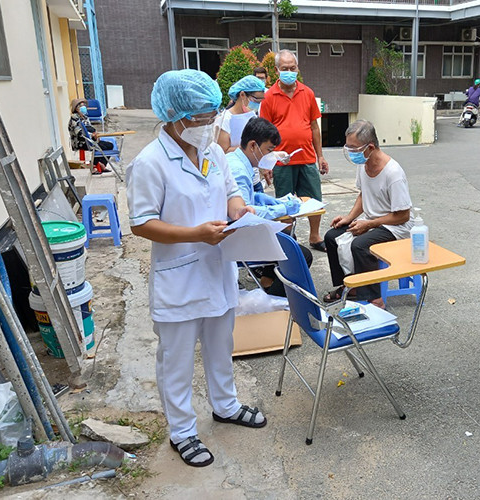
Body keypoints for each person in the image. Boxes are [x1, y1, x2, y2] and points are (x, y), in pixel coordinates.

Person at [126, 69, 266, 468]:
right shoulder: (150, 163)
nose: (207, 126)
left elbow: (232, 194)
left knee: (222, 346)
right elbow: (141, 223)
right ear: (173, 114)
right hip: (180, 276)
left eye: (210, 117)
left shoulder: (214, 152)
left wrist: (241, 212)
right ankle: (182, 432)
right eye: (199, 118)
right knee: (178, 358)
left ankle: (225, 406)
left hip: (218, 270)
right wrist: (195, 233)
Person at [323, 120, 414, 308]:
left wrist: (369, 224)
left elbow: (403, 216)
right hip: (372, 221)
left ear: (370, 147)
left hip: (395, 226)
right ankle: (351, 284)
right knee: (331, 236)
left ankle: (375, 298)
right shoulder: (363, 163)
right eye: (348, 147)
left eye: (354, 148)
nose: (351, 153)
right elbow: (364, 195)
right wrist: (349, 218)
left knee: (360, 245)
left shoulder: (393, 173)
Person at [225, 116, 314, 296]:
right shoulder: (238, 170)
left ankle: (268, 281)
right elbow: (245, 212)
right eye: (269, 150)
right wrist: (283, 208)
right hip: (236, 235)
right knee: (301, 255)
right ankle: (273, 299)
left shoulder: (237, 160)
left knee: (289, 235)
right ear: (252, 146)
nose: (271, 156)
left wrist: (264, 198)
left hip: (237, 229)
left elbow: (244, 197)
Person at [259, 49, 329, 252]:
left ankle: (315, 237)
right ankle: (290, 239)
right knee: (285, 203)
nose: (289, 71)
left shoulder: (307, 93)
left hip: (307, 158)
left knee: (315, 200)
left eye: (292, 68)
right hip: (282, 161)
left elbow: (314, 127)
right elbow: (264, 132)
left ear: (297, 68)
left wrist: (320, 156)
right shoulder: (269, 96)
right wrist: (266, 163)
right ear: (276, 70)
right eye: (284, 69)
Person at [215, 75, 266, 154]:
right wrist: (248, 148)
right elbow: (224, 151)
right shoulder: (225, 119)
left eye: (260, 101)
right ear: (242, 95)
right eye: (256, 100)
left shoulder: (253, 116)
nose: (258, 104)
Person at [68, 98, 113, 173]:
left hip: (90, 140)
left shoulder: (85, 117)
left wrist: (95, 134)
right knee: (101, 147)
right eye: (81, 106)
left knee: (109, 145)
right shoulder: (74, 119)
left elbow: (90, 128)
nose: (84, 107)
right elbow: (79, 134)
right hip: (80, 142)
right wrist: (91, 135)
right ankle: (93, 166)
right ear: (76, 108)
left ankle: (102, 164)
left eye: (84, 105)